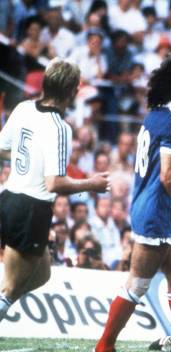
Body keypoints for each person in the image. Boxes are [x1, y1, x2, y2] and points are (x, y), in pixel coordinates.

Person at [90, 54, 171, 352]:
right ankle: (103, 349)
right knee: (137, 285)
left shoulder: (155, 115)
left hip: (155, 207)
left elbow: (157, 177)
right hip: (157, 212)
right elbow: (166, 176)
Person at [0, 58, 110, 323]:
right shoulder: (60, 128)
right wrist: (91, 184)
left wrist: (28, 159)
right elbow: (55, 183)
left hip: (8, 198)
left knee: (43, 274)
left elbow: (2, 149)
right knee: (10, 288)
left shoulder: (24, 108)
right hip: (31, 208)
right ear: (73, 91)